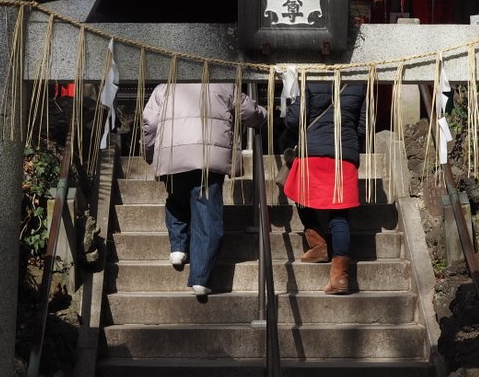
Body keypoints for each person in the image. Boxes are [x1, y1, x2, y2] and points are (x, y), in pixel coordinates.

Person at [142, 82, 267, 296]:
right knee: (208, 214)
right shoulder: (226, 86)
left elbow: (150, 123)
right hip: (209, 158)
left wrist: (150, 152)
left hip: (173, 155)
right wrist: (263, 114)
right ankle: (200, 278)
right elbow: (250, 113)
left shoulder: (164, 88)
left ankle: (178, 247)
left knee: (176, 199)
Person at [281, 79, 366, 295]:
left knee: (301, 196)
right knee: (339, 214)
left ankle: (318, 244)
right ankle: (340, 277)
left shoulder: (311, 81)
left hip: (313, 151)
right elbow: (364, 125)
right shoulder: (359, 83)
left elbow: (293, 120)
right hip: (344, 154)